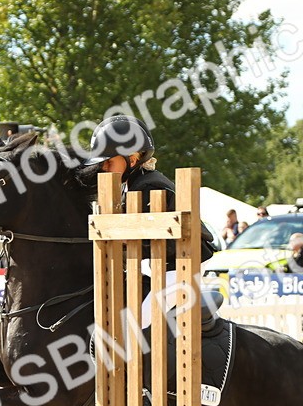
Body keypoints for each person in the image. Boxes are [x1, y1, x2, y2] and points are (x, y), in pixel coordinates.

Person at [85, 114, 216, 326]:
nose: (104, 168)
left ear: (132, 159)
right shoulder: (132, 185)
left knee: (137, 320)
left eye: (109, 162)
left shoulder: (148, 186)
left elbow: (141, 241)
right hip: (162, 263)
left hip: (182, 264)